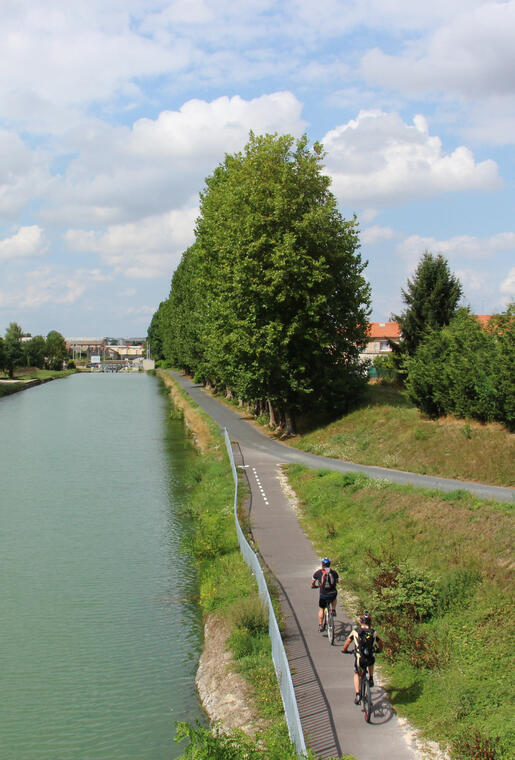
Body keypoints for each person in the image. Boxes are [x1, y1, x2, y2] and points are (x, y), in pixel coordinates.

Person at [341, 611, 383, 704]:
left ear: (361, 622)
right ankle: (371, 678)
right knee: (371, 660)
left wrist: (344, 650)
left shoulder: (355, 631)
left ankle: (358, 694)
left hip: (360, 659)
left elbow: (348, 642)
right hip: (369, 658)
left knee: (356, 673)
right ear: (370, 623)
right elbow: (380, 642)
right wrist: (379, 650)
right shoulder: (373, 632)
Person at [311, 558, 338, 632]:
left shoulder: (318, 573)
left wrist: (314, 586)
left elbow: (313, 582)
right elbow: (337, 581)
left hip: (323, 595)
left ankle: (320, 625)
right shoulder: (334, 572)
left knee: (321, 609)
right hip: (332, 593)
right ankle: (333, 610)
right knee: (334, 598)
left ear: (322, 565)